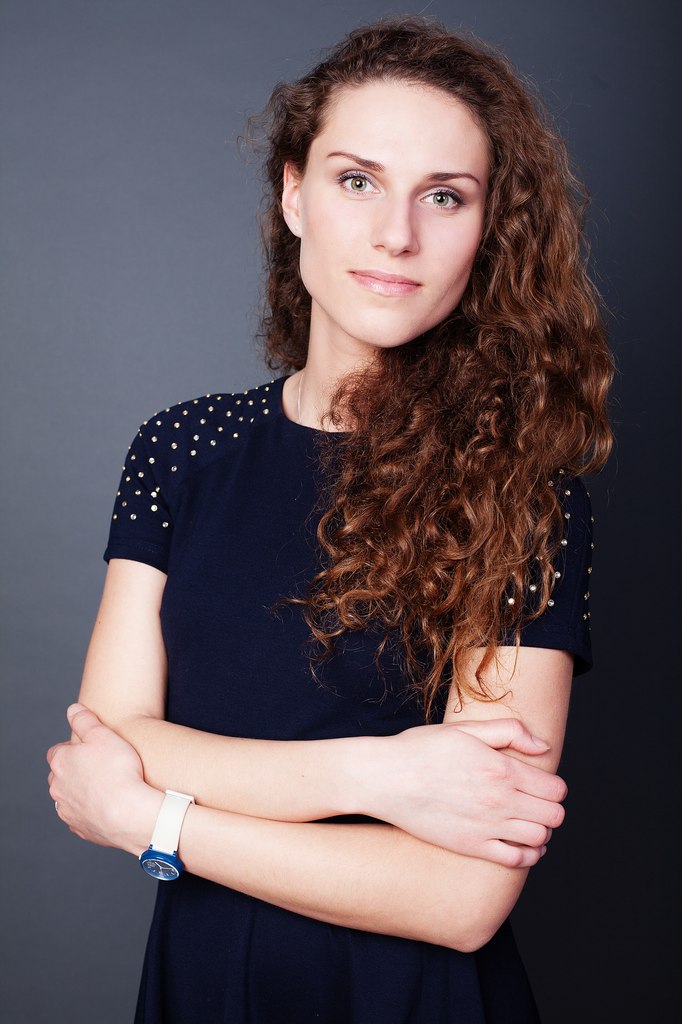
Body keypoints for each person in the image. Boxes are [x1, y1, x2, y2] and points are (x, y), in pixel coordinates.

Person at [46, 14, 614, 1024]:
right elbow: (110, 737)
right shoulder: (180, 451)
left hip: (412, 998)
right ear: (293, 194)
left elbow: (460, 900)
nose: (397, 234)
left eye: (445, 196)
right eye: (358, 181)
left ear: (488, 230)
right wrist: (383, 776)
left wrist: (156, 820)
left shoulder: (522, 490)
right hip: (200, 986)